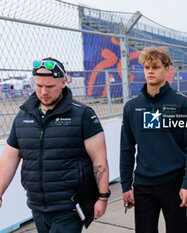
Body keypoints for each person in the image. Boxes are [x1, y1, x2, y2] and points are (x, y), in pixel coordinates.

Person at [0, 57, 109, 233]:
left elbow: (99, 159)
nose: (43, 92)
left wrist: (103, 197)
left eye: (50, 86)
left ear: (63, 82)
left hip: (69, 207)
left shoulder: (83, 115)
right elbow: (10, 157)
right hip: (38, 206)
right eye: (38, 86)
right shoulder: (22, 116)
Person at [120, 47, 187, 233]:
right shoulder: (132, 107)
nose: (150, 71)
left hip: (173, 183)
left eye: (155, 67)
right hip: (143, 185)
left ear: (167, 69)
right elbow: (126, 149)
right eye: (146, 67)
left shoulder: (182, 103)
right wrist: (125, 185)